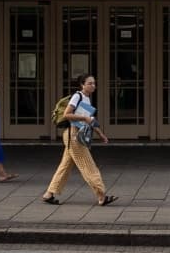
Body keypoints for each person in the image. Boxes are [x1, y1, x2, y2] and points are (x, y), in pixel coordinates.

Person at [42, 72, 117, 207]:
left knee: (65, 165)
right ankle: (101, 195)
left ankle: (49, 194)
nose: (93, 86)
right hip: (74, 135)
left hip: (76, 135)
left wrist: (101, 134)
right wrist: (84, 118)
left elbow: (90, 119)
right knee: (88, 165)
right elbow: (67, 114)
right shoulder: (77, 96)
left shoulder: (87, 99)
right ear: (82, 85)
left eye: (94, 83)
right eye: (90, 83)